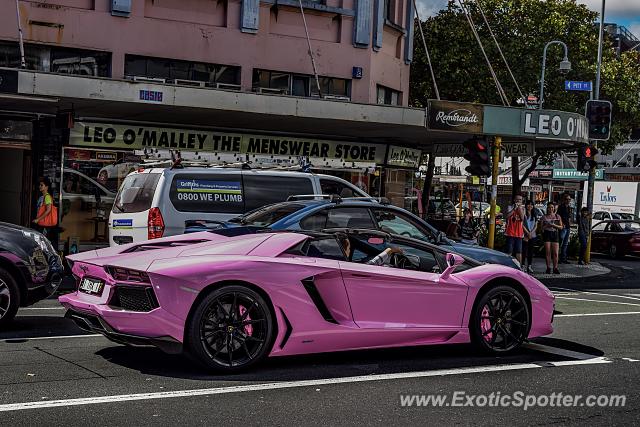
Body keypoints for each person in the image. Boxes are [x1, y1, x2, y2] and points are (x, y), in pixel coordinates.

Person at [32, 177, 59, 249]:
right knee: (41, 241)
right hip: (41, 224)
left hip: (45, 225)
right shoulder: (41, 197)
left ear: (46, 187)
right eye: (39, 185)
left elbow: (48, 210)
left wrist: (38, 219)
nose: (39, 186)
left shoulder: (47, 197)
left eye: (42, 185)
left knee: (43, 242)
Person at [541, 203, 563, 274]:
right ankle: (548, 267)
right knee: (548, 252)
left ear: (554, 208)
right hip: (547, 233)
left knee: (555, 253)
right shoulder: (544, 217)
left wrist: (554, 225)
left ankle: (555, 268)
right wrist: (547, 225)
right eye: (549, 207)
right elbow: (541, 229)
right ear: (547, 208)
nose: (550, 209)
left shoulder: (557, 216)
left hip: (555, 233)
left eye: (552, 207)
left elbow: (561, 227)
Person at [505, 194, 525, 264]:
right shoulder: (510, 207)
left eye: (520, 200)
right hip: (510, 232)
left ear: (522, 201)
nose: (518, 201)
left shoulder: (523, 208)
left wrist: (519, 209)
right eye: (517, 199)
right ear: (514, 200)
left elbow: (522, 218)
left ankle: (519, 267)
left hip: (519, 234)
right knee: (509, 251)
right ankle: (508, 266)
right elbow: (507, 216)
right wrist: (514, 209)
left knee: (519, 251)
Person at [522, 200, 538, 274]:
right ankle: (522, 265)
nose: (530, 206)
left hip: (532, 235)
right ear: (526, 205)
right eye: (528, 204)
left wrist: (531, 233)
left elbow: (536, 225)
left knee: (531, 251)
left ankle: (529, 266)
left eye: (532, 204)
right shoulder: (523, 214)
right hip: (525, 235)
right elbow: (522, 225)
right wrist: (527, 233)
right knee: (524, 251)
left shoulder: (534, 214)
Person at [557, 193, 572, 263]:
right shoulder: (561, 207)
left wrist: (569, 223)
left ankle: (563, 258)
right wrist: (562, 224)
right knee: (561, 243)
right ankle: (558, 258)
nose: (568, 201)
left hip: (568, 227)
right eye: (567, 199)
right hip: (563, 227)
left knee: (565, 243)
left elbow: (569, 217)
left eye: (569, 199)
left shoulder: (569, 207)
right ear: (564, 200)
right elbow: (558, 216)